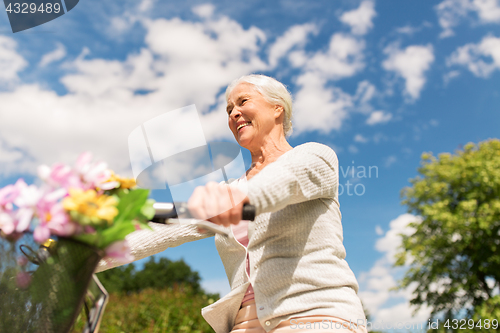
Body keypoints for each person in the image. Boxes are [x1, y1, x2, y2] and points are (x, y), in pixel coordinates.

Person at [96, 74, 367, 333]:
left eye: (243, 102)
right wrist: (80, 253)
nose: (233, 113)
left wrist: (235, 201)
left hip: (316, 313)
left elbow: (281, 183)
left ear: (277, 108)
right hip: (246, 322)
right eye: (228, 110)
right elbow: (163, 228)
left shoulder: (315, 156)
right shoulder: (229, 191)